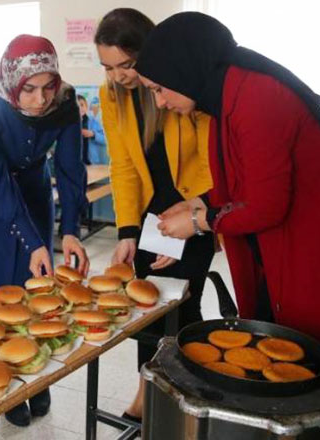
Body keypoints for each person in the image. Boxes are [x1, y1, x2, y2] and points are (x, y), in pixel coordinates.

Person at [137, 12, 320, 362]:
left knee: (310, 359)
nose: (159, 102)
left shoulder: (255, 97)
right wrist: (197, 202)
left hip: (317, 247)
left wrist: (201, 222)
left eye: (158, 89)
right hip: (289, 243)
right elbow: (239, 181)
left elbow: (266, 204)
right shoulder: (226, 94)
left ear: (182, 67)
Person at [0, 34, 88, 427]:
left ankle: (35, 373)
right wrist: (32, 241)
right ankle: (4, 381)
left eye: (48, 86)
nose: (40, 99)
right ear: (12, 82)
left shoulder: (65, 103)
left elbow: (70, 168)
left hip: (33, 190)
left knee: (34, 288)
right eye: (29, 89)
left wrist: (70, 230)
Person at [93, 8, 217, 422]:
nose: (118, 76)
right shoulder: (111, 94)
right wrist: (128, 229)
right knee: (147, 308)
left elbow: (208, 161)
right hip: (151, 215)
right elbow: (124, 165)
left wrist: (190, 223)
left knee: (183, 304)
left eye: (125, 65)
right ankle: (149, 394)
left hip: (194, 203)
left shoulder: (180, 83)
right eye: (108, 67)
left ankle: (181, 400)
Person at [77, 95, 106, 165]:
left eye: (82, 105)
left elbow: (105, 139)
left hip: (92, 162)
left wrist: (93, 134)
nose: (79, 108)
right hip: (74, 163)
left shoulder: (93, 122)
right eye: (76, 106)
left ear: (86, 107)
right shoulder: (68, 124)